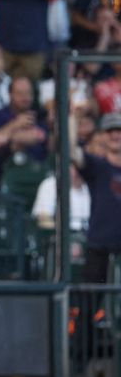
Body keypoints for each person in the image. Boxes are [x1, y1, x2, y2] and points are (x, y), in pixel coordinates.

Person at [70, 111, 121, 284]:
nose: (115, 135)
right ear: (102, 136)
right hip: (99, 243)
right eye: (110, 131)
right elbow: (71, 151)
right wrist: (70, 118)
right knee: (89, 303)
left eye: (119, 130)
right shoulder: (97, 165)